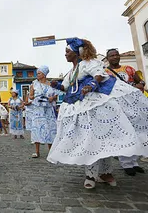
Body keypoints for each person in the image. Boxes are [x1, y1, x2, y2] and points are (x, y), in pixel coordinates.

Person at [48, 38, 148, 189]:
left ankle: (104, 173)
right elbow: (66, 87)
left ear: (77, 52)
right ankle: (92, 174)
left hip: (95, 106)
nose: (65, 54)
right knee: (88, 139)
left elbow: (99, 75)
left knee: (101, 138)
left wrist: (91, 85)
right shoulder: (71, 72)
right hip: (79, 109)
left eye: (67, 51)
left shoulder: (88, 63)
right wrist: (57, 85)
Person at [105, 48, 145, 176]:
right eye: (112, 55)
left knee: (136, 132)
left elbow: (140, 80)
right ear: (108, 58)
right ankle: (126, 163)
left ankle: (134, 162)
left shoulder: (129, 69)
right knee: (124, 133)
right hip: (118, 106)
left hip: (133, 105)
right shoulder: (105, 72)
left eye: (117, 55)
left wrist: (141, 85)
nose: (115, 57)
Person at [28, 65, 62, 158]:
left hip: (48, 110)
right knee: (37, 129)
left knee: (50, 129)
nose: (37, 75)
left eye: (39, 73)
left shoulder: (51, 84)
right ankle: (37, 152)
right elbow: (30, 96)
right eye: (37, 73)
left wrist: (53, 98)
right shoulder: (34, 84)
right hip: (38, 110)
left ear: (44, 74)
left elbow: (56, 96)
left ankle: (51, 151)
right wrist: (34, 97)